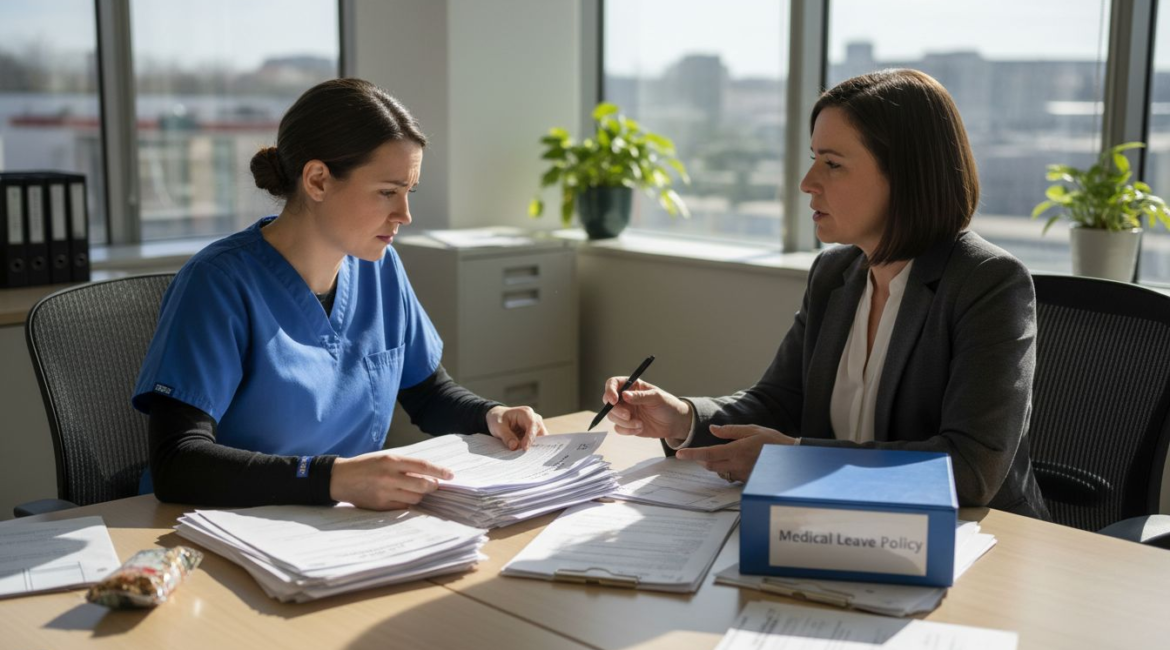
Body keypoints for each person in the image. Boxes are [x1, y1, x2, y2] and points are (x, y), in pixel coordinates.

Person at [601, 69, 1049, 519]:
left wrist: (795, 461)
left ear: (906, 176)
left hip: (969, 540)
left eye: (832, 164)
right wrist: (683, 417)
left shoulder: (988, 282)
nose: (808, 182)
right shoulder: (835, 273)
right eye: (814, 158)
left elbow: (971, 470)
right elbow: (779, 400)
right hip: (839, 525)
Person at [132, 78, 547, 511]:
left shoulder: (380, 268)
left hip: (337, 526)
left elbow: (428, 393)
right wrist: (331, 479)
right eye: (388, 192)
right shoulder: (217, 283)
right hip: (216, 528)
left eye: (408, 192)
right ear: (317, 181)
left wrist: (490, 415)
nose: (404, 215)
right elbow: (177, 463)